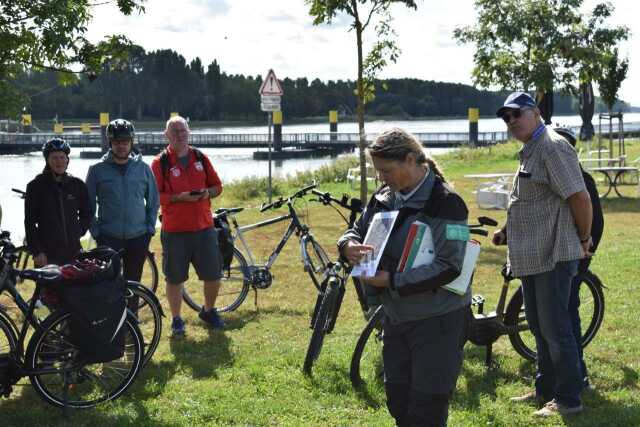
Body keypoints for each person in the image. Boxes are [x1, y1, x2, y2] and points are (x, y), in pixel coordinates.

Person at [338, 128, 470, 427]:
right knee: (398, 400)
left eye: (386, 171)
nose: (382, 178)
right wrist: (347, 245)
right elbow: (356, 230)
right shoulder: (385, 196)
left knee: (427, 409)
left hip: (438, 321)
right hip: (397, 318)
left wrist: (392, 280)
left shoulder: (447, 202)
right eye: (378, 172)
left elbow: (450, 266)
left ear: (411, 159)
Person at [492, 92, 593, 417]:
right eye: (505, 118)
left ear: (535, 113)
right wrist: (507, 230)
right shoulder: (531, 150)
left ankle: (568, 399)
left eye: (516, 114)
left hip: (554, 255)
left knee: (556, 328)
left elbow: (580, 198)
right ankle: (545, 389)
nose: (510, 122)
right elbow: (527, 201)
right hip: (532, 257)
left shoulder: (552, 147)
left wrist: (584, 238)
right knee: (539, 327)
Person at [151, 115, 224, 336]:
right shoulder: (159, 163)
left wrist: (206, 192)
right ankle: (176, 319)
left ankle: (208, 311)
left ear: (189, 132)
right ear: (167, 135)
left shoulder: (200, 157)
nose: (180, 135)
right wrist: (177, 198)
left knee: (213, 275)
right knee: (175, 278)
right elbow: (155, 196)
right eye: (175, 132)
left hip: (204, 228)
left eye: (183, 131)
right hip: (175, 232)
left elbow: (218, 186)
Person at [554, 126, 604, 390]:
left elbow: (596, 226)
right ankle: (554, 378)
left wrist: (582, 261)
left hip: (571, 262)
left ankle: (578, 376)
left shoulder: (583, 180)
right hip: (550, 260)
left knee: (567, 319)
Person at [85, 119, 159, 284]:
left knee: (133, 287)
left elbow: (154, 201)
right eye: (117, 142)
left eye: (125, 141)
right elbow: (87, 205)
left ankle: (132, 311)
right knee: (108, 287)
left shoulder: (144, 169)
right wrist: (96, 233)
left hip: (138, 237)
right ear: (110, 143)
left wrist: (149, 230)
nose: (121, 146)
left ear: (131, 142)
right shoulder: (96, 170)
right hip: (108, 238)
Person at [25, 138, 91, 266]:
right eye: (54, 158)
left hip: (73, 251)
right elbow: (29, 222)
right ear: (47, 161)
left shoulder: (77, 185)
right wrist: (37, 252)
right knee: (47, 287)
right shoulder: (35, 186)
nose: (59, 161)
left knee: (75, 286)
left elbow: (87, 213)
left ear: (67, 160)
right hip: (46, 253)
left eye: (62, 157)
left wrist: (78, 230)